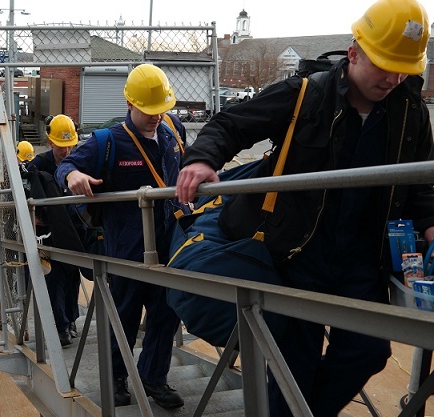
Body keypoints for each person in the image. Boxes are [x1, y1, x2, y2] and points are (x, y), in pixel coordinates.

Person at [174, 1, 433, 414]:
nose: (393, 78)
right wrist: (202, 159)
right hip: (298, 253)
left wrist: (431, 223)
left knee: (368, 352)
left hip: (362, 261)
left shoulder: (410, 112)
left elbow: (422, 184)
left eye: (404, 68)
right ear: (354, 53)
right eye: (384, 65)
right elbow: (231, 124)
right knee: (294, 361)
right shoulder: (305, 95)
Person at [56, 63, 187, 409]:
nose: (156, 117)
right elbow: (65, 166)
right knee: (124, 316)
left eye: (161, 110)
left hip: (170, 245)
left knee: (166, 314)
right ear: (129, 103)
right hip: (127, 250)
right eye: (149, 111)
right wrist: (72, 177)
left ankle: (153, 378)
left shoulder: (173, 132)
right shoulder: (107, 142)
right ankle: (117, 377)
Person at [28, 115, 83, 347]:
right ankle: (60, 326)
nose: (67, 150)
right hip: (49, 233)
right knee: (54, 277)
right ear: (51, 143)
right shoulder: (38, 164)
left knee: (72, 276)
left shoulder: (77, 162)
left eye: (71, 145)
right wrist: (34, 217)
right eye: (62, 146)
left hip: (72, 229)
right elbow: (24, 193)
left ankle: (70, 319)